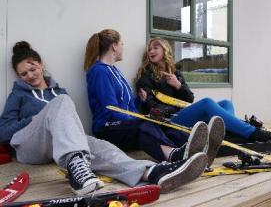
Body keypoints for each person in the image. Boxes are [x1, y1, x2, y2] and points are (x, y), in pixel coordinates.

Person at [0, 41, 209, 196]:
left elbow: (69, 128)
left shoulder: (59, 91)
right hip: (29, 146)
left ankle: (150, 172)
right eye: (24, 74)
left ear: (41, 65)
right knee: (63, 102)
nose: (30, 75)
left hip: (55, 147)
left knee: (100, 145)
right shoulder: (19, 94)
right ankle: (76, 168)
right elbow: (4, 132)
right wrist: (34, 119)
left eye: (32, 68)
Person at [83, 29, 225, 167]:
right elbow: (110, 110)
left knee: (163, 126)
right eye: (121, 44)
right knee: (144, 125)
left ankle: (198, 152)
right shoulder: (99, 71)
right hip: (106, 128)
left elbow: (126, 105)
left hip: (122, 124)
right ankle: (174, 155)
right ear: (114, 46)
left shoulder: (114, 71)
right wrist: (140, 118)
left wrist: (139, 100)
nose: (123, 47)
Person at [135, 37, 271, 142]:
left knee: (226, 103)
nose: (151, 51)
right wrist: (174, 107)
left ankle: (232, 134)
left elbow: (189, 98)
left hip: (184, 116)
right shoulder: (145, 78)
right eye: (149, 49)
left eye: (156, 47)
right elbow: (152, 108)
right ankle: (255, 133)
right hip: (169, 124)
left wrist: (178, 85)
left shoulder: (175, 74)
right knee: (207, 103)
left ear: (165, 51)